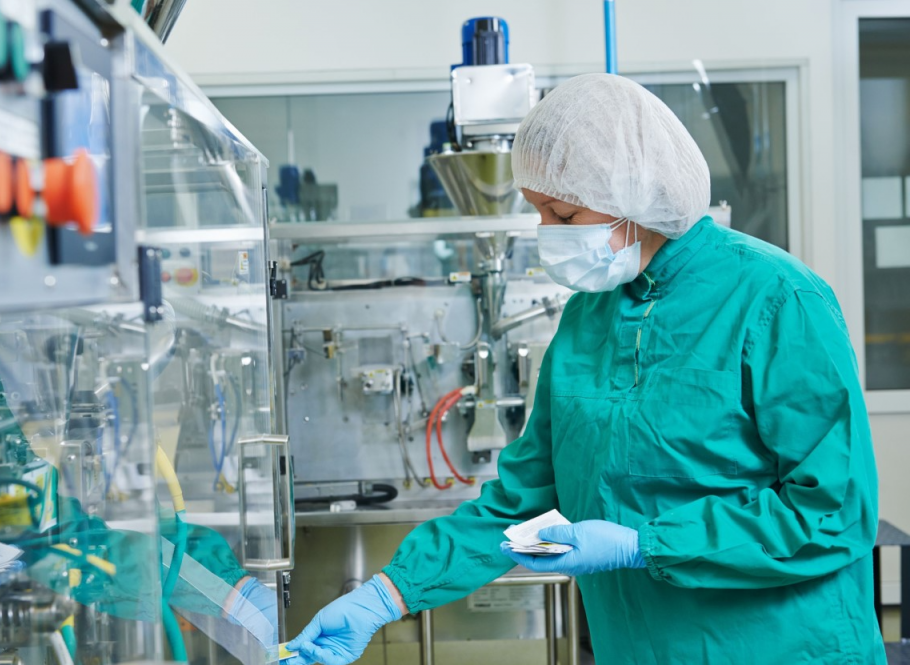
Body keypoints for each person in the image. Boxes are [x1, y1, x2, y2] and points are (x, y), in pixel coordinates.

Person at [286, 73, 885, 664]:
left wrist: (644, 545)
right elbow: (521, 502)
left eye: (564, 216)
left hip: (784, 647)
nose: (546, 233)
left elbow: (831, 511)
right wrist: (384, 597)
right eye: (538, 212)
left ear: (636, 196)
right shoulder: (587, 318)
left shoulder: (776, 300)